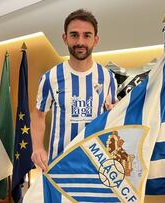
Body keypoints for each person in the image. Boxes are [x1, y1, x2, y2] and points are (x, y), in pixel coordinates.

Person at [31, 9, 118, 171]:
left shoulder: (108, 78)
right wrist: (37, 148)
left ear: (96, 40)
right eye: (74, 35)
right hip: (59, 164)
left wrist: (115, 110)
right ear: (65, 38)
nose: (80, 41)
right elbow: (38, 114)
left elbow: (112, 111)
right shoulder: (50, 77)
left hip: (97, 165)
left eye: (87, 35)